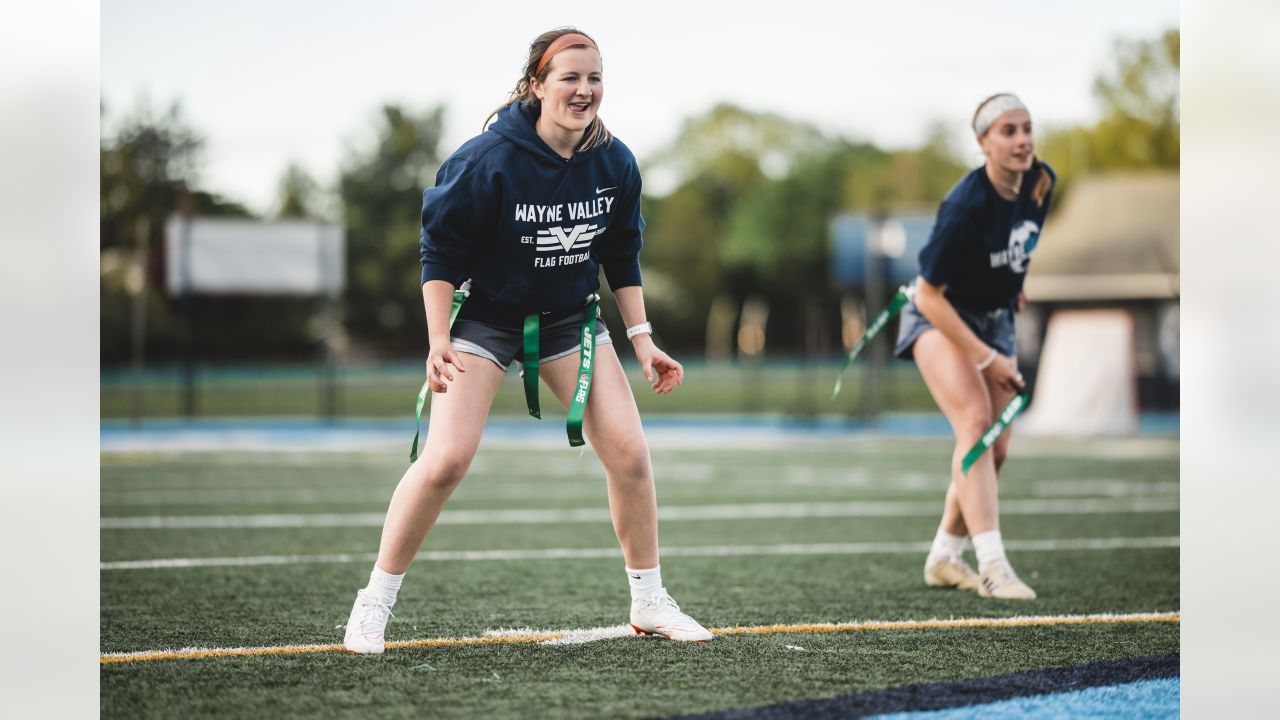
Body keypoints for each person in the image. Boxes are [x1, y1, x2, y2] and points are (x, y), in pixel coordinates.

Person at [342, 27, 713, 654]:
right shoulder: (485, 159)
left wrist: (644, 339)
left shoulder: (615, 160)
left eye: (594, 77)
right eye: (569, 77)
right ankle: (373, 603)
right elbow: (439, 252)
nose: (584, 89)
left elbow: (621, 254)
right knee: (446, 461)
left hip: (571, 319)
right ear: (536, 84)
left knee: (629, 454)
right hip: (487, 318)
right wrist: (437, 337)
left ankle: (649, 601)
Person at [894, 93, 1055, 600]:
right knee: (975, 424)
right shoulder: (964, 204)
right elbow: (929, 295)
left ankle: (944, 554)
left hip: (995, 318)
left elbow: (1015, 248)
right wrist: (987, 358)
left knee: (998, 446)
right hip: (938, 316)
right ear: (983, 142)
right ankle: (993, 566)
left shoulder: (1041, 182)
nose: (1023, 139)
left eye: (1027, 127)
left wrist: (1012, 283)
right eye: (1008, 130)